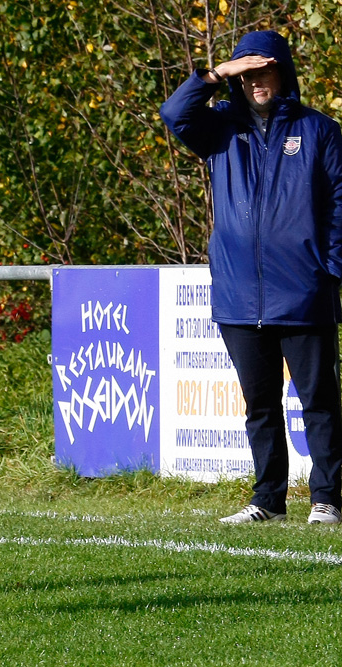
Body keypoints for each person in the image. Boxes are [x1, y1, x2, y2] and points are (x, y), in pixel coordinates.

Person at [160, 30, 342, 524]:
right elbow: (173, 114)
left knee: (319, 404)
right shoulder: (219, 128)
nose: (257, 80)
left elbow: (340, 207)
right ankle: (268, 501)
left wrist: (330, 269)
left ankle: (327, 499)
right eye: (248, 71)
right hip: (239, 296)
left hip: (304, 292)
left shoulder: (320, 131)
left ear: (283, 72)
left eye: (265, 69)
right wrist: (216, 75)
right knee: (259, 406)